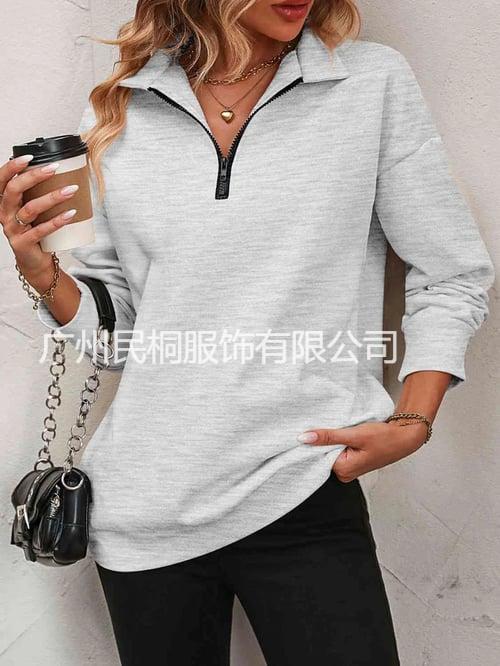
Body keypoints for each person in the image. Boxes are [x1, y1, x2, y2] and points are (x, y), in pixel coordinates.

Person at [1, 1, 495, 664]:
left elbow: (452, 272)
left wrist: (414, 418)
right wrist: (40, 271)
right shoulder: (117, 110)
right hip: (145, 510)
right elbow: (118, 340)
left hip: (305, 484)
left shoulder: (369, 83)